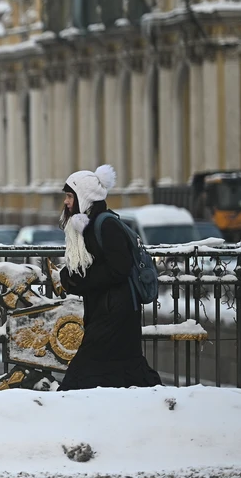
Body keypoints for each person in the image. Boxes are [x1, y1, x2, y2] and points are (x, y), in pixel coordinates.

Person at [57, 164, 161, 390]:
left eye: (69, 196)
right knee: (121, 372)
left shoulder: (106, 224)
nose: (66, 202)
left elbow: (118, 268)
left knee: (83, 373)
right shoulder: (91, 225)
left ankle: (68, 406)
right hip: (108, 310)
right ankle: (142, 405)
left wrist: (78, 281)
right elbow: (94, 265)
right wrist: (70, 275)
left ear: (83, 197)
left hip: (117, 313)